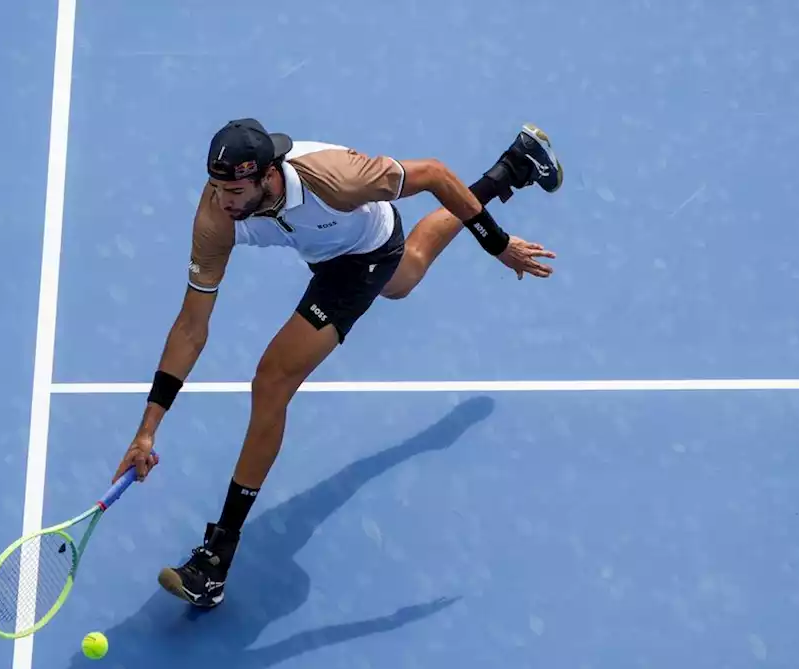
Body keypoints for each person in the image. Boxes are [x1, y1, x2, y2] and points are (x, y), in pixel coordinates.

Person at [109, 117, 564, 608]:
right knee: (407, 274)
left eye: (235, 191)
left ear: (268, 176)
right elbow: (191, 326)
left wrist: (498, 245)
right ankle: (513, 167)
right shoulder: (217, 214)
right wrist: (147, 429)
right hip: (330, 251)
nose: (225, 202)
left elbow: (433, 173)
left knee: (272, 381)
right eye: (218, 189)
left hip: (363, 253)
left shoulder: (339, 179)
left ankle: (216, 559)